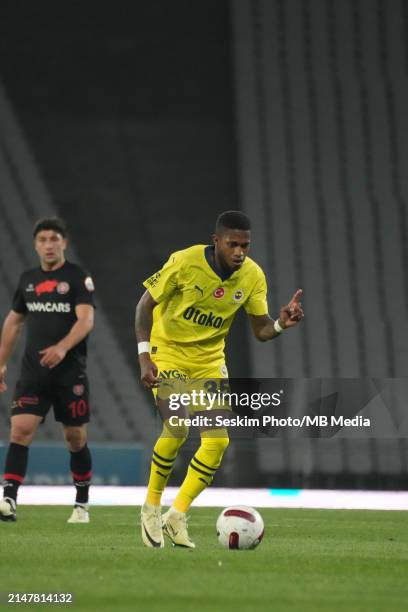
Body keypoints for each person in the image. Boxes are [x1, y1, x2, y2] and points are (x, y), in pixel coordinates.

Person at [135, 210, 304, 548]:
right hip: (167, 352)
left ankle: (176, 514)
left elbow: (261, 329)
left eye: (245, 245)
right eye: (233, 244)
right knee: (178, 426)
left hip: (209, 362)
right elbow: (144, 306)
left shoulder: (253, 276)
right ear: (216, 242)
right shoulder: (184, 262)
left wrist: (282, 324)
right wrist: (144, 356)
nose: (240, 252)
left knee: (218, 442)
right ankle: (151, 507)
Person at [0, 217, 95, 523]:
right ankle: (9, 500)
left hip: (70, 375)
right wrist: (1, 362)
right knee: (20, 430)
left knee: (75, 439)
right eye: (42, 240)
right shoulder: (28, 280)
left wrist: (63, 347)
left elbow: (86, 320)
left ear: (64, 242)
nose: (48, 245)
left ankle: (81, 503)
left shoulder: (78, 277)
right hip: (34, 373)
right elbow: (14, 321)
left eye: (54, 238)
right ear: (35, 245)